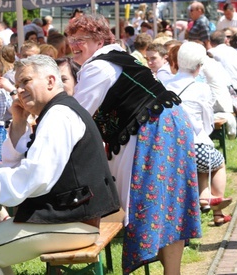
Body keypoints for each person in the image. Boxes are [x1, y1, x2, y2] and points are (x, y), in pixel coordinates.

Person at [0, 55, 121, 273]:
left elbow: (36, 176)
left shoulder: (58, 115)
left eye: (26, 81)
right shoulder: (57, 111)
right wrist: (19, 122)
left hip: (72, 222)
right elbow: (24, 161)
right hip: (71, 216)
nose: (20, 90)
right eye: (16, 85)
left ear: (51, 81)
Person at [66, 14, 201, 274]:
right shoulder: (119, 55)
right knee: (170, 206)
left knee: (151, 202)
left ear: (99, 39)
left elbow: (75, 119)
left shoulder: (98, 67)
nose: (74, 45)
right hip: (172, 124)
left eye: (81, 39)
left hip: (154, 131)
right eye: (71, 39)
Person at [166, 42, 233, 226]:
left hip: (170, 148)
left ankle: (205, 200)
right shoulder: (201, 88)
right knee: (217, 163)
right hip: (195, 147)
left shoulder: (164, 85)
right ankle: (216, 206)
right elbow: (207, 123)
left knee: (202, 163)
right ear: (198, 66)